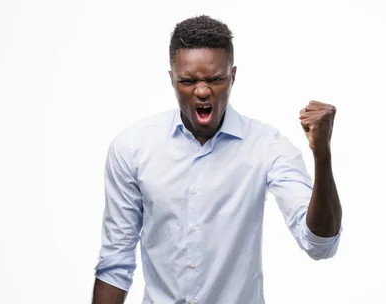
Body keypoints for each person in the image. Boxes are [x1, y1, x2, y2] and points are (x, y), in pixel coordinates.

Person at [92, 15, 342, 304]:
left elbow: (319, 244)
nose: (201, 91)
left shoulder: (267, 146)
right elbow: (115, 264)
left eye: (215, 79)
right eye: (187, 81)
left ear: (232, 77)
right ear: (172, 79)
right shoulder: (132, 148)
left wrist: (322, 154)